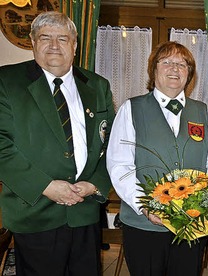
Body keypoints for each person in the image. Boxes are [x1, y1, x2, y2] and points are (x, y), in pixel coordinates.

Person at [0, 11, 114, 275]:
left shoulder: (98, 86)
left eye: (62, 39)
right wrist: (46, 187)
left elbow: (112, 145)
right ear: (32, 42)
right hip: (35, 211)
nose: (54, 45)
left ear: (74, 45)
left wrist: (94, 184)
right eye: (45, 38)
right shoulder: (7, 82)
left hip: (84, 212)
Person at [106, 41, 208, 275]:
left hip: (191, 224)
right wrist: (146, 206)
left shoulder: (203, 113)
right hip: (144, 226)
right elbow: (120, 166)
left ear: (189, 74)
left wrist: (204, 204)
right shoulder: (131, 109)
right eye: (167, 62)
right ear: (153, 70)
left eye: (182, 64)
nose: (175, 69)